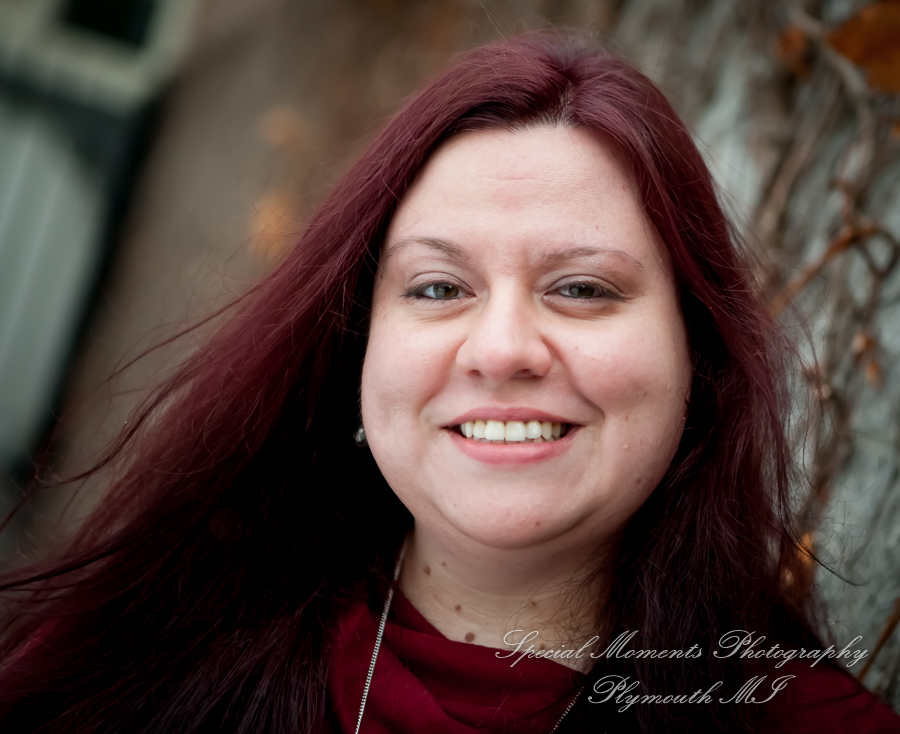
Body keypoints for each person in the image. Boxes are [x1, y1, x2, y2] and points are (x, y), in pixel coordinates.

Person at [0, 32, 898, 734]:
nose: (501, 348)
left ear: (697, 362)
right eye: (438, 287)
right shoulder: (120, 665)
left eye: (581, 289)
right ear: (356, 351)